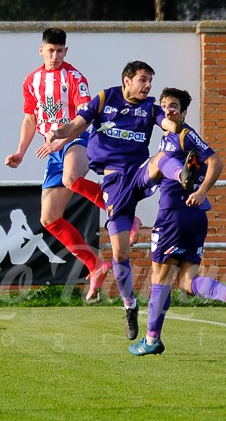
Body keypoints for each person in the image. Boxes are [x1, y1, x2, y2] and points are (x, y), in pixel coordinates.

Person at [126, 88, 226, 356]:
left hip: (174, 215)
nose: (168, 110)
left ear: (183, 113)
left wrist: (201, 190)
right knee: (186, 281)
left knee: (160, 277)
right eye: (164, 106)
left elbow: (216, 162)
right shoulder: (171, 136)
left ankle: (151, 339)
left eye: (173, 106)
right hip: (196, 217)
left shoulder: (183, 135)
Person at [47, 60, 165, 340]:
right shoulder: (105, 98)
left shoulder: (150, 107)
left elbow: (168, 122)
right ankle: (130, 306)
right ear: (127, 81)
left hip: (138, 171)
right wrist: (58, 133)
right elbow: (77, 124)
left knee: (165, 157)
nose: (148, 85)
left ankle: (182, 173)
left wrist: (176, 124)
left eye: (150, 81)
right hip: (113, 182)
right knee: (120, 254)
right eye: (143, 80)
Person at [4, 27, 110, 302]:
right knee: (49, 218)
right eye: (50, 50)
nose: (55, 55)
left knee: (72, 177)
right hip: (52, 149)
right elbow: (30, 120)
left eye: (59, 50)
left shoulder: (74, 78)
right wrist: (20, 152)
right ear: (41, 50)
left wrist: (61, 142)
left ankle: (118, 208)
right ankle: (95, 265)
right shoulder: (32, 80)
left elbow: (84, 118)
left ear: (66, 51)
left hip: (77, 139)